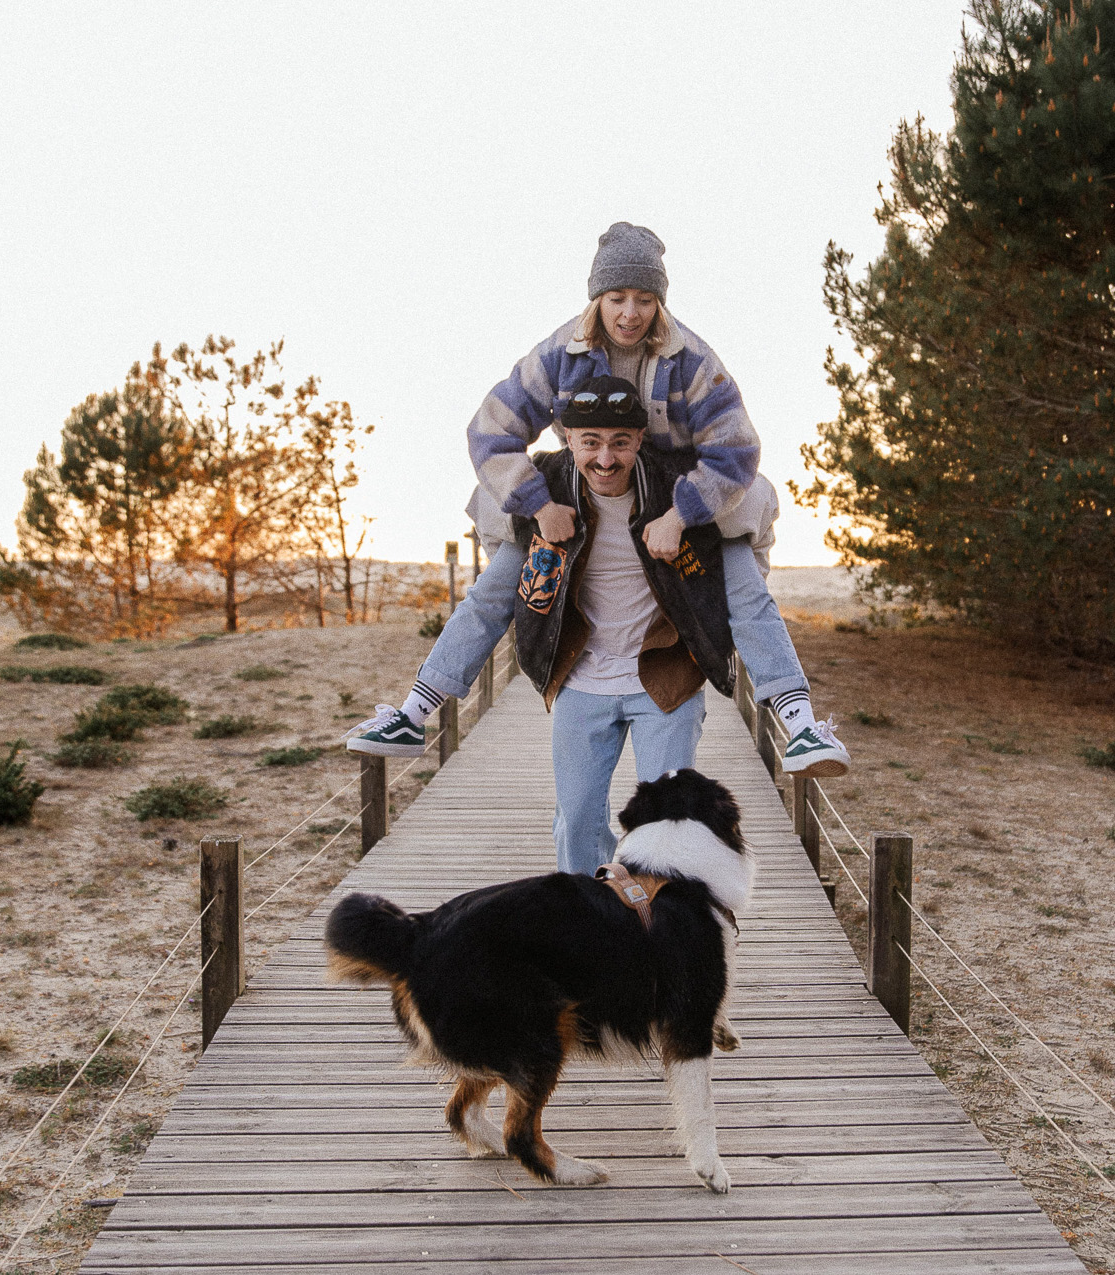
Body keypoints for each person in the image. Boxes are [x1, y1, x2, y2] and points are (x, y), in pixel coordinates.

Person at [348, 222, 848, 777]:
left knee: (742, 586)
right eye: (617, 298)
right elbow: (491, 430)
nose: (630, 313)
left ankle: (800, 724)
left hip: (677, 499)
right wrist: (540, 505)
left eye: (644, 298)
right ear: (597, 297)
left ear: (660, 301)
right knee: (502, 582)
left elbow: (735, 448)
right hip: (583, 488)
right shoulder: (561, 354)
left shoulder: (693, 361)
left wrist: (681, 515)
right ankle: (414, 714)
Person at [502, 386, 733, 873]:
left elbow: (740, 481)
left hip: (663, 682)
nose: (605, 458)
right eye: (590, 442)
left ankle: (656, 924)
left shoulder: (678, 491)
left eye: (620, 442)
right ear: (568, 439)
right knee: (578, 819)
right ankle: (587, 922)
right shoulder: (544, 490)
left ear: (641, 439)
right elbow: (489, 461)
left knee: (667, 825)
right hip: (581, 680)